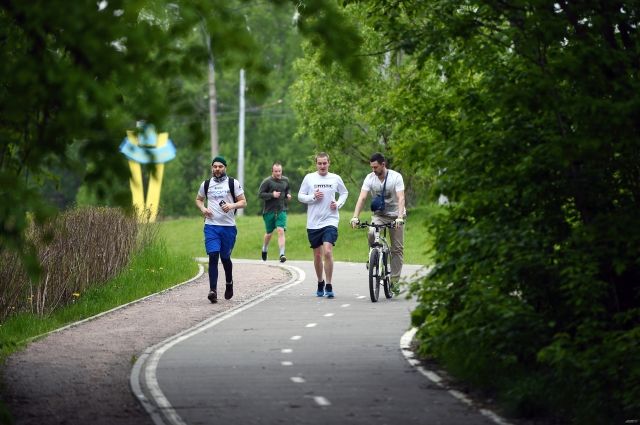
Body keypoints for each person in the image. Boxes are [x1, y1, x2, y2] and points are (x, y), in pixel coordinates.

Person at [350, 152, 406, 292]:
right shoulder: (370, 178)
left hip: (395, 215)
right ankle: (374, 255)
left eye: (375, 167)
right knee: (371, 232)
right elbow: (362, 198)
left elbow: (401, 198)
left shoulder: (395, 177)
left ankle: (394, 281)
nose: (373, 170)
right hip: (379, 215)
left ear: (383, 164)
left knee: (397, 248)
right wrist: (355, 216)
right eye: (371, 167)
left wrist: (399, 217)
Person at [195, 156, 247, 303]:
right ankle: (213, 290)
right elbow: (198, 199)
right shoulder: (206, 184)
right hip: (211, 226)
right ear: (212, 168)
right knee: (213, 255)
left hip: (228, 227)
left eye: (220, 166)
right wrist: (203, 208)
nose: (217, 169)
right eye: (215, 166)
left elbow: (243, 202)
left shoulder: (232, 183)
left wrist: (231, 206)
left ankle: (229, 283)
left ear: (225, 168)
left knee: (225, 258)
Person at [298, 152, 349, 298]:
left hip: (331, 220)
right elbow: (300, 196)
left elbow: (344, 193)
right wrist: (313, 197)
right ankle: (320, 282)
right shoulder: (309, 178)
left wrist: (338, 203)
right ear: (316, 164)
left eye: (324, 163)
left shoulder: (335, 178)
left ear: (329, 163)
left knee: (327, 251)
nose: (322, 166)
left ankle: (329, 284)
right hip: (313, 222)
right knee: (318, 254)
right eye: (319, 163)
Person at [258, 162, 292, 263]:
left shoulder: (285, 180)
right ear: (272, 171)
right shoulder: (267, 181)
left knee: (280, 230)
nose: (278, 173)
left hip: (281, 209)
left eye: (279, 171)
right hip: (269, 211)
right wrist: (272, 195)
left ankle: (282, 254)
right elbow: (260, 194)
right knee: (269, 233)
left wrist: (288, 195)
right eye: (276, 171)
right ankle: (264, 249)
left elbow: (287, 189)